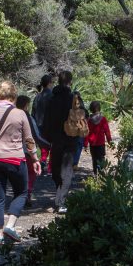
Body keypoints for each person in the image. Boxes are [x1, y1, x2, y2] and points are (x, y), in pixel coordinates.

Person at [0, 82, 41, 244]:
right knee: (22, 192)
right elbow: (29, 140)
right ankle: (10, 225)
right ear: (13, 95)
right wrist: (35, 159)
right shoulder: (20, 114)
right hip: (16, 160)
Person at [41, 70, 85, 213]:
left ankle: (60, 196)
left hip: (56, 139)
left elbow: (46, 119)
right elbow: (85, 114)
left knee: (55, 168)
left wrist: (46, 139)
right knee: (66, 169)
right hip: (71, 138)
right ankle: (61, 200)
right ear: (70, 82)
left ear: (58, 81)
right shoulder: (74, 98)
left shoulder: (52, 99)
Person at [15, 94, 50, 208]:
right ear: (26, 106)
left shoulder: (11, 116)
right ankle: (27, 194)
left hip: (13, 151)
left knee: (17, 174)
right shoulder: (28, 118)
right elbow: (36, 135)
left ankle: (18, 195)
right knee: (31, 173)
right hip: (27, 151)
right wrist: (48, 145)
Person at [32, 74, 54, 174]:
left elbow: (33, 112)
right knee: (52, 145)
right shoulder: (53, 96)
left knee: (43, 146)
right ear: (49, 83)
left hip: (38, 125)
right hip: (50, 125)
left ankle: (43, 161)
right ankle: (49, 167)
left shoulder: (37, 97)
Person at [85, 100, 114, 174]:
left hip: (92, 144)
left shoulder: (89, 120)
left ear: (91, 109)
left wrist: (85, 144)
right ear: (99, 108)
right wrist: (109, 141)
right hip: (100, 143)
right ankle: (101, 175)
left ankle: (96, 174)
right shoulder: (103, 119)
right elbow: (107, 131)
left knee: (94, 159)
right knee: (101, 159)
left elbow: (86, 132)